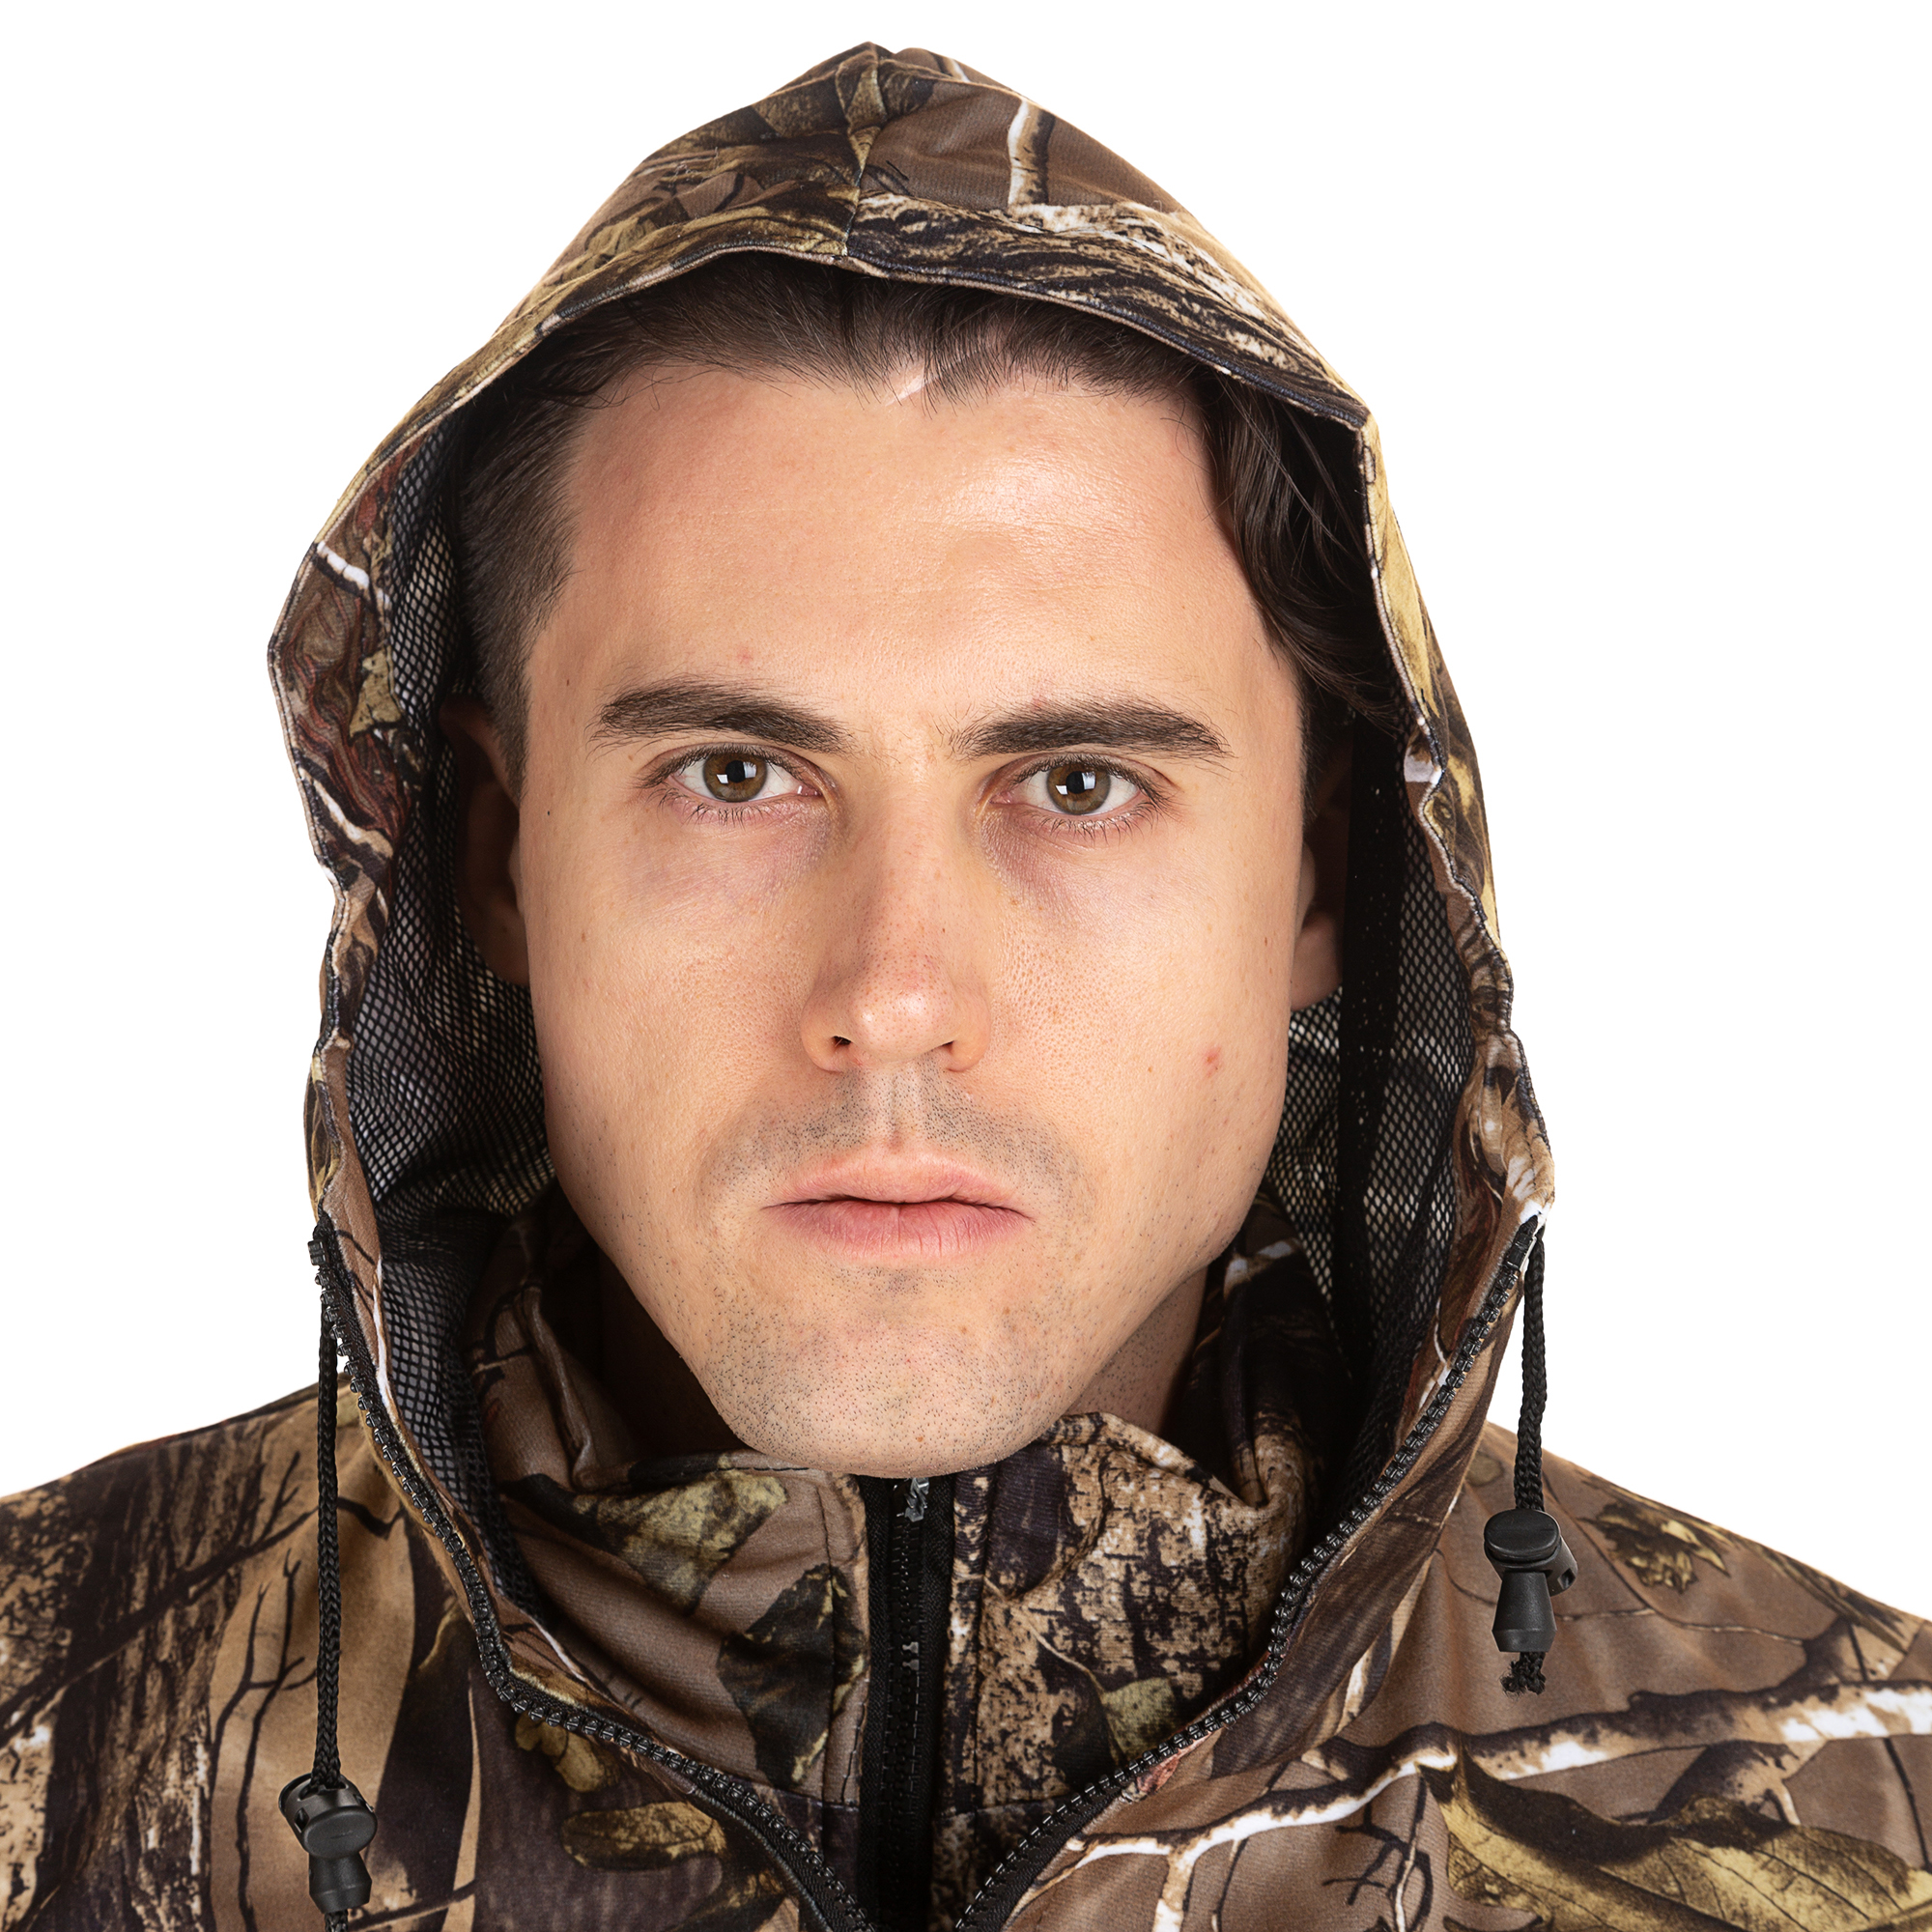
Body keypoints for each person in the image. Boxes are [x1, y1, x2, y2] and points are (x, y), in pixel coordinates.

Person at [2, 42, 1926, 1932]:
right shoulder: (42, 1755)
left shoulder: (1870, 1823)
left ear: (1320, 875)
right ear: (496, 860)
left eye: (1076, 784)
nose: (896, 996)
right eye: (734, 776)